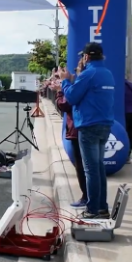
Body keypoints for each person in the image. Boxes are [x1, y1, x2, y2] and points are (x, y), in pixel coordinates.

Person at [58, 42, 115, 219]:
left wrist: (65, 81)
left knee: (91, 170)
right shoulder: (107, 73)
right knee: (99, 167)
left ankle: (92, 210)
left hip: (89, 125)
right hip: (105, 125)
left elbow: (72, 97)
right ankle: (102, 207)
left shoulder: (88, 74)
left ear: (86, 57)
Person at [56, 58, 88, 207]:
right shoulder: (93, 81)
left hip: (78, 128)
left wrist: (60, 90)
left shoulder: (80, 84)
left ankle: (87, 197)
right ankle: (94, 199)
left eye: (77, 70)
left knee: (82, 165)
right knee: (92, 166)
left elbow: (65, 104)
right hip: (87, 126)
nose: (75, 73)